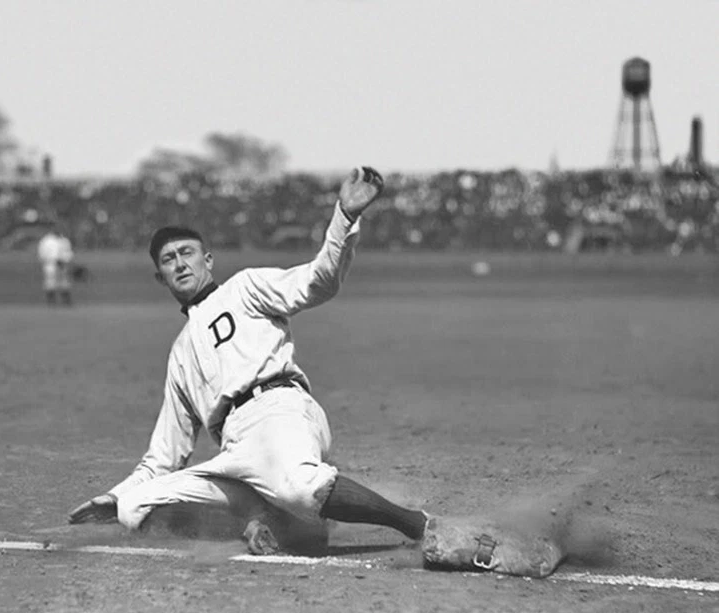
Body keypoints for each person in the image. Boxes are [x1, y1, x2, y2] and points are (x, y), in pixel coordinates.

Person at [68, 167, 565, 578]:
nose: (179, 264)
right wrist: (114, 496)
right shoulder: (179, 355)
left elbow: (317, 281)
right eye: (168, 261)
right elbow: (163, 456)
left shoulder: (244, 289)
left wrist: (344, 217)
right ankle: (275, 523)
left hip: (278, 410)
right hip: (237, 451)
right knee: (137, 509)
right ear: (160, 277)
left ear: (208, 259)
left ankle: (421, 525)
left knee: (300, 487)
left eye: (186, 253)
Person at [37, 225, 74, 306]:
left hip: (62, 264)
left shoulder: (64, 240)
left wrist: (65, 259)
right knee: (50, 282)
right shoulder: (46, 240)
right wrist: (49, 260)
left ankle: (66, 301)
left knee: (64, 282)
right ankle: (51, 301)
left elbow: (69, 252)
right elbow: (41, 253)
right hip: (50, 263)